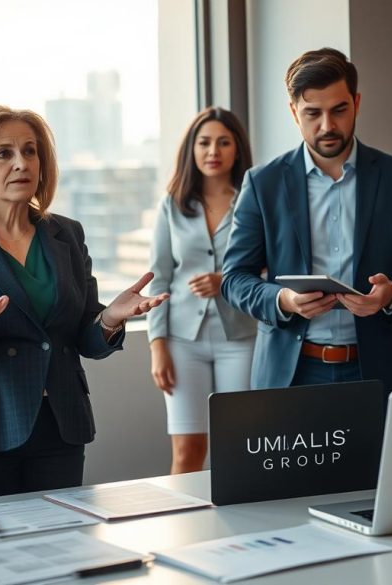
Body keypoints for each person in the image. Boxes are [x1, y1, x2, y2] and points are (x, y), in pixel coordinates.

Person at [0, 105, 167, 499]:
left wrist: (110, 318)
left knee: (64, 541)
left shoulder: (66, 234)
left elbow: (84, 338)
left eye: (30, 151)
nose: (21, 163)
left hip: (59, 423)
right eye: (3, 153)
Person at [222, 48, 392, 393]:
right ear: (294, 112)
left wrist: (391, 295)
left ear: (356, 102)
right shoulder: (262, 183)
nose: (328, 126)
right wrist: (284, 300)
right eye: (313, 113)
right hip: (290, 374)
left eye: (339, 110)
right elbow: (234, 278)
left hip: (374, 371)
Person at [148, 107, 257, 473]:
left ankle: (240, 527)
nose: (214, 151)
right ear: (192, 150)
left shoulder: (253, 201)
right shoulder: (172, 205)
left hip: (241, 337)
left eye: (224, 142)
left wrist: (226, 283)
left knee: (240, 446)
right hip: (182, 341)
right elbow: (159, 277)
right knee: (188, 450)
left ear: (237, 150)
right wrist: (157, 346)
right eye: (205, 142)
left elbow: (270, 270)